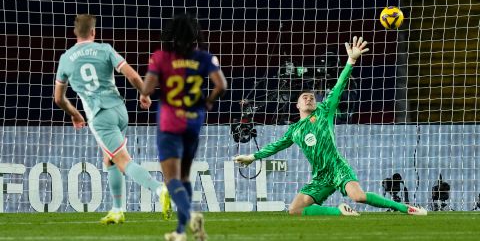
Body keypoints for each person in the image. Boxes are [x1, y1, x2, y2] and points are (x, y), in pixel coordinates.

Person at [234, 36, 427, 217]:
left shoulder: (324, 111)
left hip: (337, 168)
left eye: (311, 97)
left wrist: (351, 61)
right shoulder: (294, 130)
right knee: (294, 210)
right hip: (320, 176)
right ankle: (339, 211)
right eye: (304, 97)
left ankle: (406, 208)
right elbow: (274, 146)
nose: (309, 98)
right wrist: (252, 157)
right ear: (297, 105)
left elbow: (340, 85)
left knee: (358, 196)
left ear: (316, 103)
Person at [54, 14, 170, 224]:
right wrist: (143, 93)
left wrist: (75, 114)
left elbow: (58, 98)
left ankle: (160, 189)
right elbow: (132, 75)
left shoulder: (65, 59)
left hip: (100, 117)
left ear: (74, 32)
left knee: (123, 161)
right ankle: (117, 210)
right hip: (119, 110)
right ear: (93, 32)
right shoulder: (105, 49)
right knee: (110, 159)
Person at [142, 13, 227, 241]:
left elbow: (148, 88)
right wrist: (208, 101)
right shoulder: (204, 57)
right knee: (185, 177)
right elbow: (222, 85)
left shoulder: (161, 57)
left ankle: (190, 216)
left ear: (171, 36)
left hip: (170, 122)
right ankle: (180, 232)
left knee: (171, 179)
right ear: (194, 36)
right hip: (193, 121)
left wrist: (148, 88)